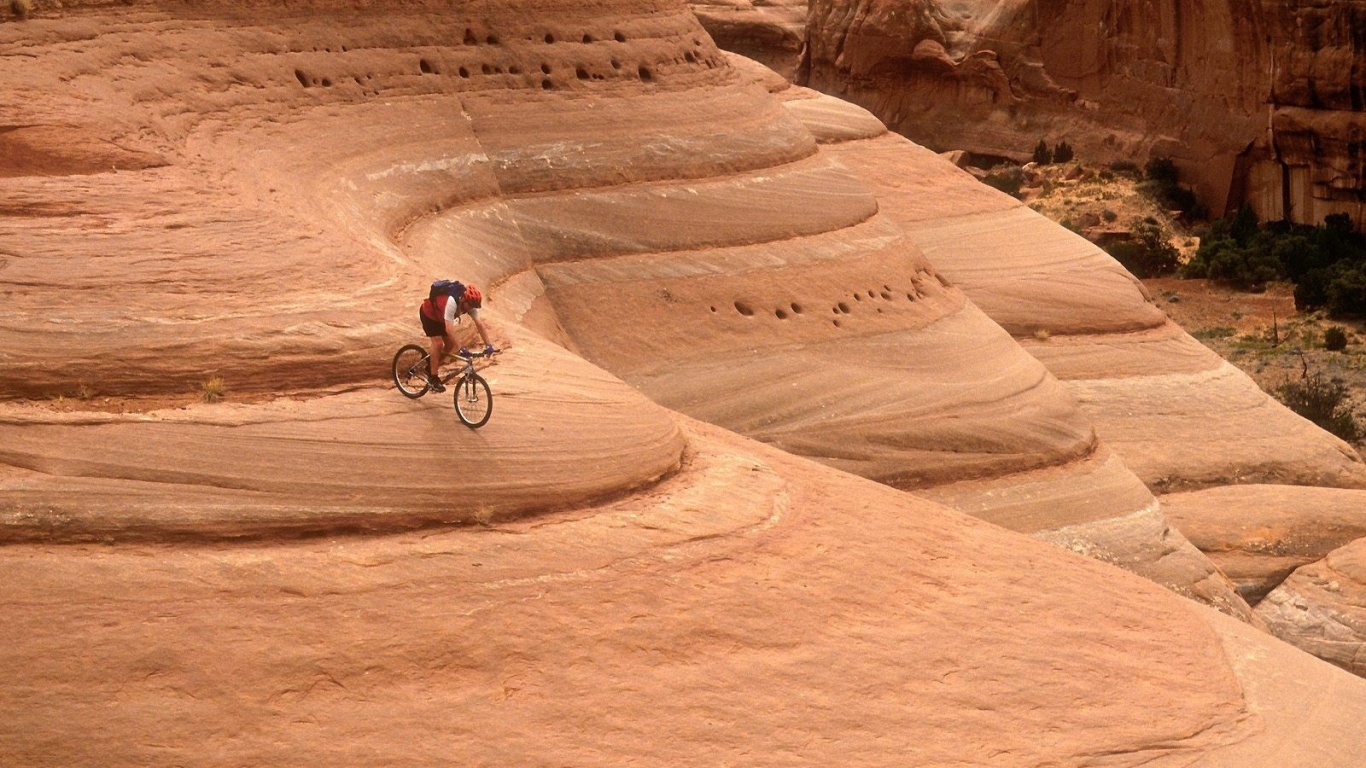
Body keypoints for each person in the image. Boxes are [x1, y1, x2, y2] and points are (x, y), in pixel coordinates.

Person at [419, 280, 494, 393]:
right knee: (438, 344)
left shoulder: (469, 305)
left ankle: (430, 365)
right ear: (464, 299)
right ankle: (433, 378)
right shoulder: (451, 302)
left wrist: (489, 345)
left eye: (473, 306)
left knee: (449, 345)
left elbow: (480, 324)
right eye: (470, 305)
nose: (470, 308)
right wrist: (461, 348)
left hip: (441, 318)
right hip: (429, 315)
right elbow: (449, 329)